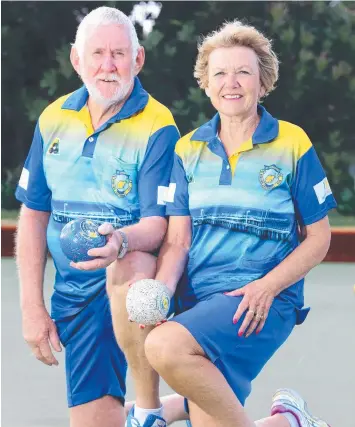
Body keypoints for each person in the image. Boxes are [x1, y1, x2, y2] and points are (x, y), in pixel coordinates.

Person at [143, 20, 335, 427]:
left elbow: (319, 238)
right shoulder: (187, 148)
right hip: (199, 303)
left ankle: (176, 408)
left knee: (162, 346)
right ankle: (289, 421)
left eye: (243, 72)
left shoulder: (292, 143)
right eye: (220, 73)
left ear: (262, 82)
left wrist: (267, 287)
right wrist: (161, 290)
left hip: (261, 301)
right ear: (207, 85)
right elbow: (178, 241)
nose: (232, 83)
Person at [15, 6, 187, 427]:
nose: (108, 66)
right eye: (97, 54)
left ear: (138, 59)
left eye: (119, 54)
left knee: (129, 267)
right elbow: (34, 214)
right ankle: (186, 406)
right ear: (77, 60)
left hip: (132, 285)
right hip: (73, 295)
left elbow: (156, 226)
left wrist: (120, 241)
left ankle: (149, 410)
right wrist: (32, 308)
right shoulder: (53, 118)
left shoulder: (158, 125)